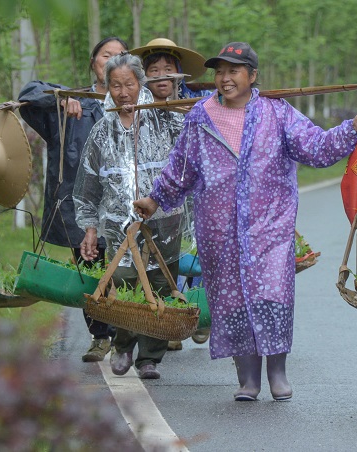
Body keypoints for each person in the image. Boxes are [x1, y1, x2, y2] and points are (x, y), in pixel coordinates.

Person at [133, 42, 357, 399]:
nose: (225, 78)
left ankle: (277, 373)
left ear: (252, 76)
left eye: (234, 71)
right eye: (219, 71)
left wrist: (352, 128)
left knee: (273, 294)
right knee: (231, 302)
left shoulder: (276, 112)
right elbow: (181, 168)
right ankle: (247, 379)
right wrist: (155, 199)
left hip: (270, 226)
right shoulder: (200, 115)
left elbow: (315, 146)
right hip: (218, 228)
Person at [73, 52, 194, 380]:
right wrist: (90, 227)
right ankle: (123, 345)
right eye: (116, 85)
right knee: (124, 285)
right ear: (107, 88)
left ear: (141, 84)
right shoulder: (101, 131)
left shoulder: (164, 117)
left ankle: (150, 357)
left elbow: (190, 150)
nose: (123, 91)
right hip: (119, 226)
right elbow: (87, 185)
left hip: (164, 220)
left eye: (129, 84)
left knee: (159, 286)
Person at [17, 37, 127, 363]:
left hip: (123, 206)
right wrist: (60, 102)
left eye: (120, 57)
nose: (112, 61)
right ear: (93, 61)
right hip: (82, 208)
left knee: (126, 270)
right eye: (106, 55)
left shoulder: (137, 102)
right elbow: (28, 95)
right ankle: (100, 337)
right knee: (89, 269)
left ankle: (134, 333)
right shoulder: (72, 102)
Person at [130, 38, 212, 351]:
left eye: (168, 69)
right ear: (145, 76)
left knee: (201, 253)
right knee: (168, 257)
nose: (162, 75)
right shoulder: (139, 108)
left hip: (196, 193)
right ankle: (173, 321)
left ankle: (202, 314)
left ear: (178, 74)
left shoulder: (199, 103)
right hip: (158, 196)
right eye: (154, 70)